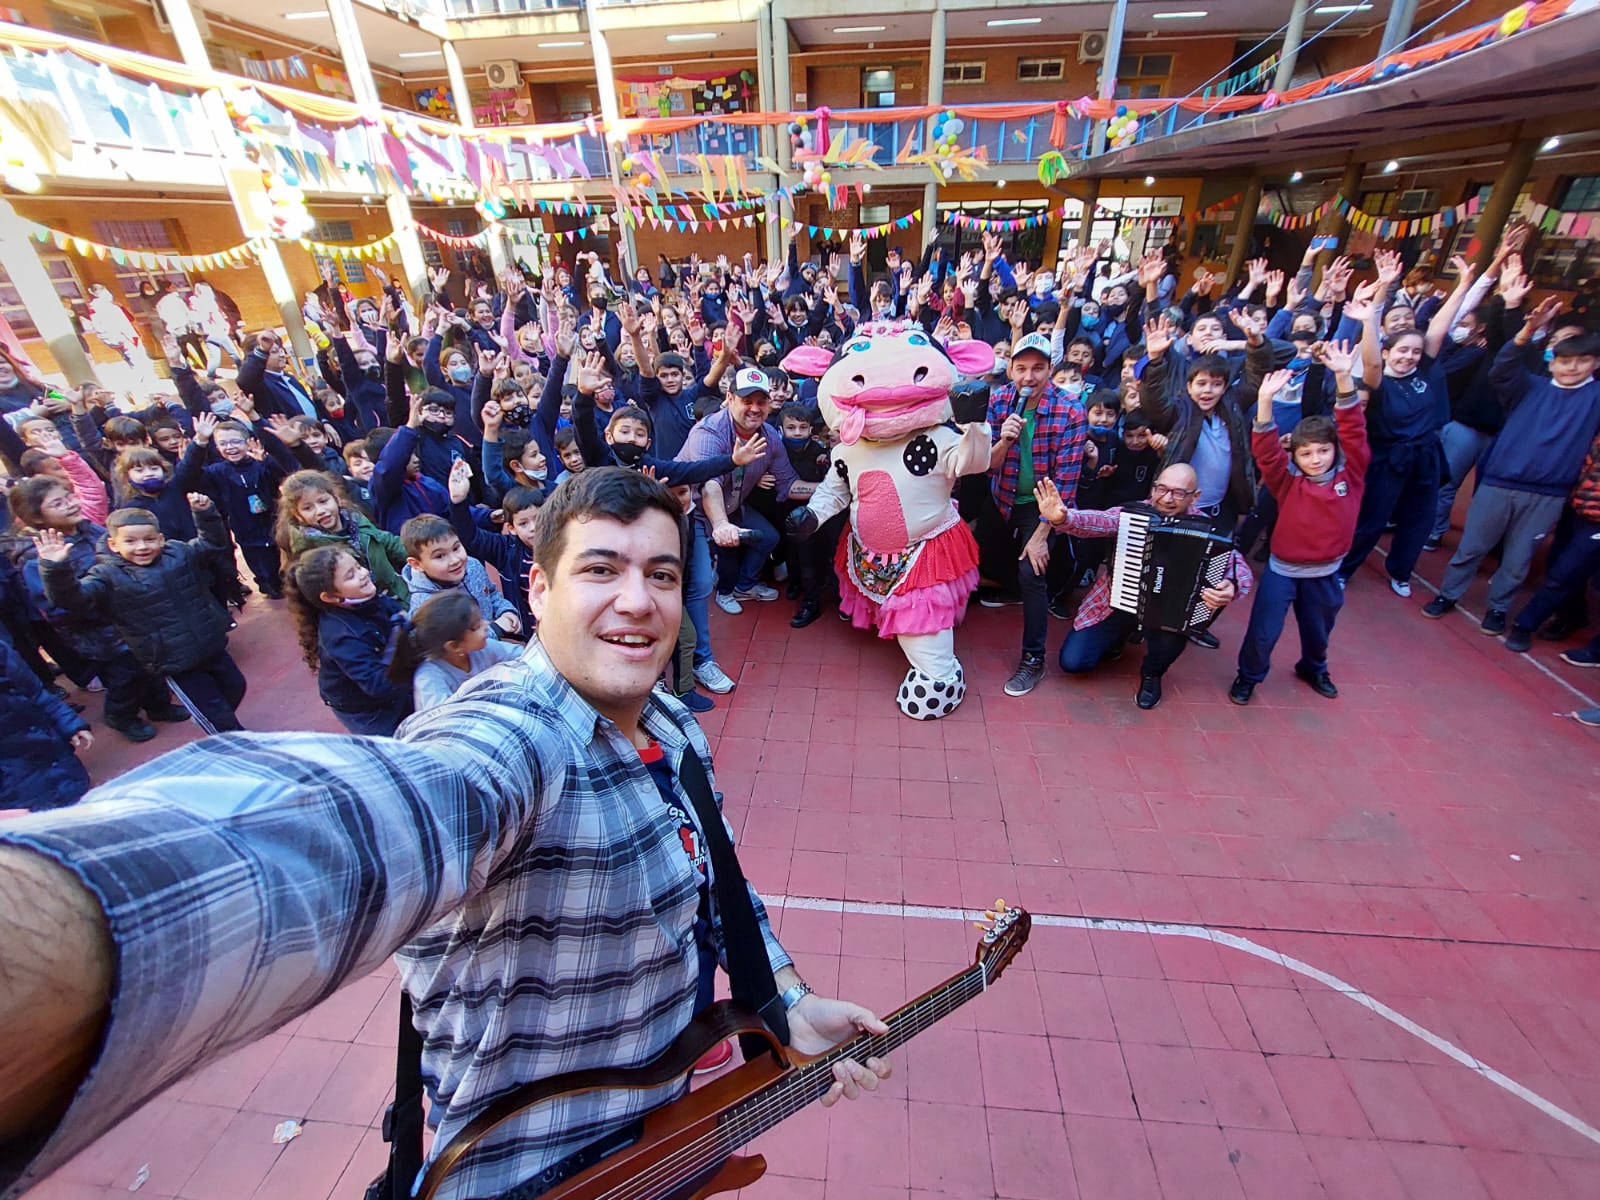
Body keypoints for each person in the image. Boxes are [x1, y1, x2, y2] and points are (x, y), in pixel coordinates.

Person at [0, 468, 889, 1200]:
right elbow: (367, 817)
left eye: (661, 574)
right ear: (535, 589)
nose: (641, 599)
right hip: (527, 1174)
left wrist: (785, 997)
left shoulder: (672, 726)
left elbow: (715, 880)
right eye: (600, 570)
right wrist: (66, 917)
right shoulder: (511, 738)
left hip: (661, 1137)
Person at [1422, 306, 1600, 633]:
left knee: (1518, 560)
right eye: (1564, 360)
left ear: (1595, 363)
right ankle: (1447, 595)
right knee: (1472, 546)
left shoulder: (1595, 398)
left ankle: (1499, 609)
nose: (1572, 367)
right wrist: (1525, 331)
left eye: (1582, 360)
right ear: (1552, 360)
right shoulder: (1531, 386)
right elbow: (1503, 367)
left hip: (1549, 493)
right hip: (1499, 483)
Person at [1040, 463, 1251, 710]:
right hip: (1118, 601)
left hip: (1168, 613)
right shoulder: (1133, 514)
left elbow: (1237, 566)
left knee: (1173, 638)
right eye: (1161, 489)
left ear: (1196, 496)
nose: (1167, 498)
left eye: (1179, 492)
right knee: (1073, 662)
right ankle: (1123, 634)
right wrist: (1064, 518)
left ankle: (1152, 674)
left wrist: (1231, 586)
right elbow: (1099, 521)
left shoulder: (1209, 530)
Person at [1230, 344, 1370, 705]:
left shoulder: (1351, 475)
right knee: (1263, 632)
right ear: (1295, 455)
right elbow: (1265, 452)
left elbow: (1354, 430)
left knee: (1318, 631)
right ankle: (1248, 676)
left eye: (1323, 450)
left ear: (1335, 450)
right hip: (1283, 570)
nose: (1316, 458)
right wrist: (1265, 401)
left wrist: (1343, 377)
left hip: (1326, 572)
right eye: (1306, 453)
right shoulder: (1287, 483)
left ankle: (1314, 667)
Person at [36, 499, 246, 732]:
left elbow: (212, 545)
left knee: (236, 687)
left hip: (210, 644)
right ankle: (229, 739)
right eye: (130, 541)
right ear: (113, 544)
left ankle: (212, 720)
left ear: (161, 539)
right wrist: (55, 569)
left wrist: (205, 514)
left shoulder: (178, 553)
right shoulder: (107, 575)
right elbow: (72, 600)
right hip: (174, 660)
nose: (141, 547)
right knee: (218, 715)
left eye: (149, 539)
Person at [1337, 256, 1478, 597]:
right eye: (1402, 351)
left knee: (1419, 517)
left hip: (1425, 455)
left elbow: (1440, 328)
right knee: (1372, 518)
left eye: (1415, 351)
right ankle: (1344, 570)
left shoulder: (1426, 372)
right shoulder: (1377, 380)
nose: (1409, 356)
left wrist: (1462, 285)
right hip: (1386, 458)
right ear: (1389, 353)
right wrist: (1369, 319)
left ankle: (1401, 571)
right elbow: (1370, 359)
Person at [8, 476, 184, 742]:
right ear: (37, 516)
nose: (70, 504)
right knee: (125, 679)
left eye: (69, 496)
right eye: (58, 503)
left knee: (152, 666)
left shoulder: (93, 531)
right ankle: (121, 715)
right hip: (100, 635)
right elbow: (56, 608)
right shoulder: (37, 558)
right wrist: (103, 606)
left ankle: (159, 706)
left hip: (132, 621)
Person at [979, 331, 1086, 697]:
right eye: (1021, 368)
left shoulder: (1070, 410)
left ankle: (1033, 659)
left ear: (1050, 370)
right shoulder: (999, 402)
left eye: (1038, 368)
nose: (1029, 377)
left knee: (1032, 569)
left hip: (1042, 504)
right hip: (1002, 494)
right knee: (976, 552)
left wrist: (1042, 536)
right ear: (1010, 369)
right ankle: (1010, 589)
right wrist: (1004, 440)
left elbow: (1067, 487)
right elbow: (987, 468)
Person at [284, 544, 413, 735]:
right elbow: (378, 685)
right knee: (396, 744)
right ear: (330, 597)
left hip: (391, 680)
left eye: (358, 566)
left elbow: (399, 617)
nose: (363, 574)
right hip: (367, 710)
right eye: (350, 575)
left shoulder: (366, 597)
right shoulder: (342, 636)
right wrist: (413, 658)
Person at [276, 469, 411, 605]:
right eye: (308, 508)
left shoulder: (355, 519)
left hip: (398, 593)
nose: (320, 511)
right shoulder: (311, 551)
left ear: (336, 498)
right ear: (298, 515)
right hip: (368, 607)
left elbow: (386, 541)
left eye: (323, 501)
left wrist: (418, 555)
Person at [0, 624, 93, 811]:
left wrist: (69, 723)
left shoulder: (3, 652)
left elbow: (37, 693)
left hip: (54, 756)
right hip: (16, 787)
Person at [401, 511, 522, 640]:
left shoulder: (472, 565)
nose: (455, 560)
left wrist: (505, 610)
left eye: (456, 548)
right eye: (440, 556)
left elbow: (490, 593)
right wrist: (496, 629)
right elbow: (456, 647)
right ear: (416, 564)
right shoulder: (426, 607)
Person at [406, 589, 523, 712]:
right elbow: (442, 721)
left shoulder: (483, 649)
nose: (487, 624)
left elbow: (525, 656)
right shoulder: (429, 679)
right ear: (454, 646)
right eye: (477, 626)